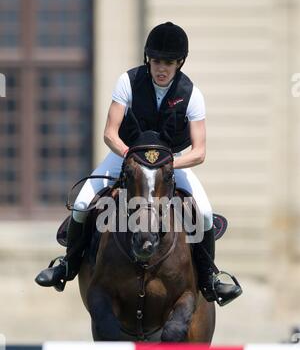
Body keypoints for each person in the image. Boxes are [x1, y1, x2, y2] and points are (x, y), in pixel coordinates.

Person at [35, 22, 242, 305]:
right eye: (157, 61)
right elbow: (110, 132)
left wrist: (167, 165)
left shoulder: (192, 94)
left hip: (170, 163)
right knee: (83, 204)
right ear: (148, 59)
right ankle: (67, 266)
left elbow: (199, 152)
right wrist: (131, 158)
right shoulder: (128, 81)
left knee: (204, 213)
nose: (161, 68)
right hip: (126, 156)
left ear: (179, 63)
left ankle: (209, 279)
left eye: (168, 63)